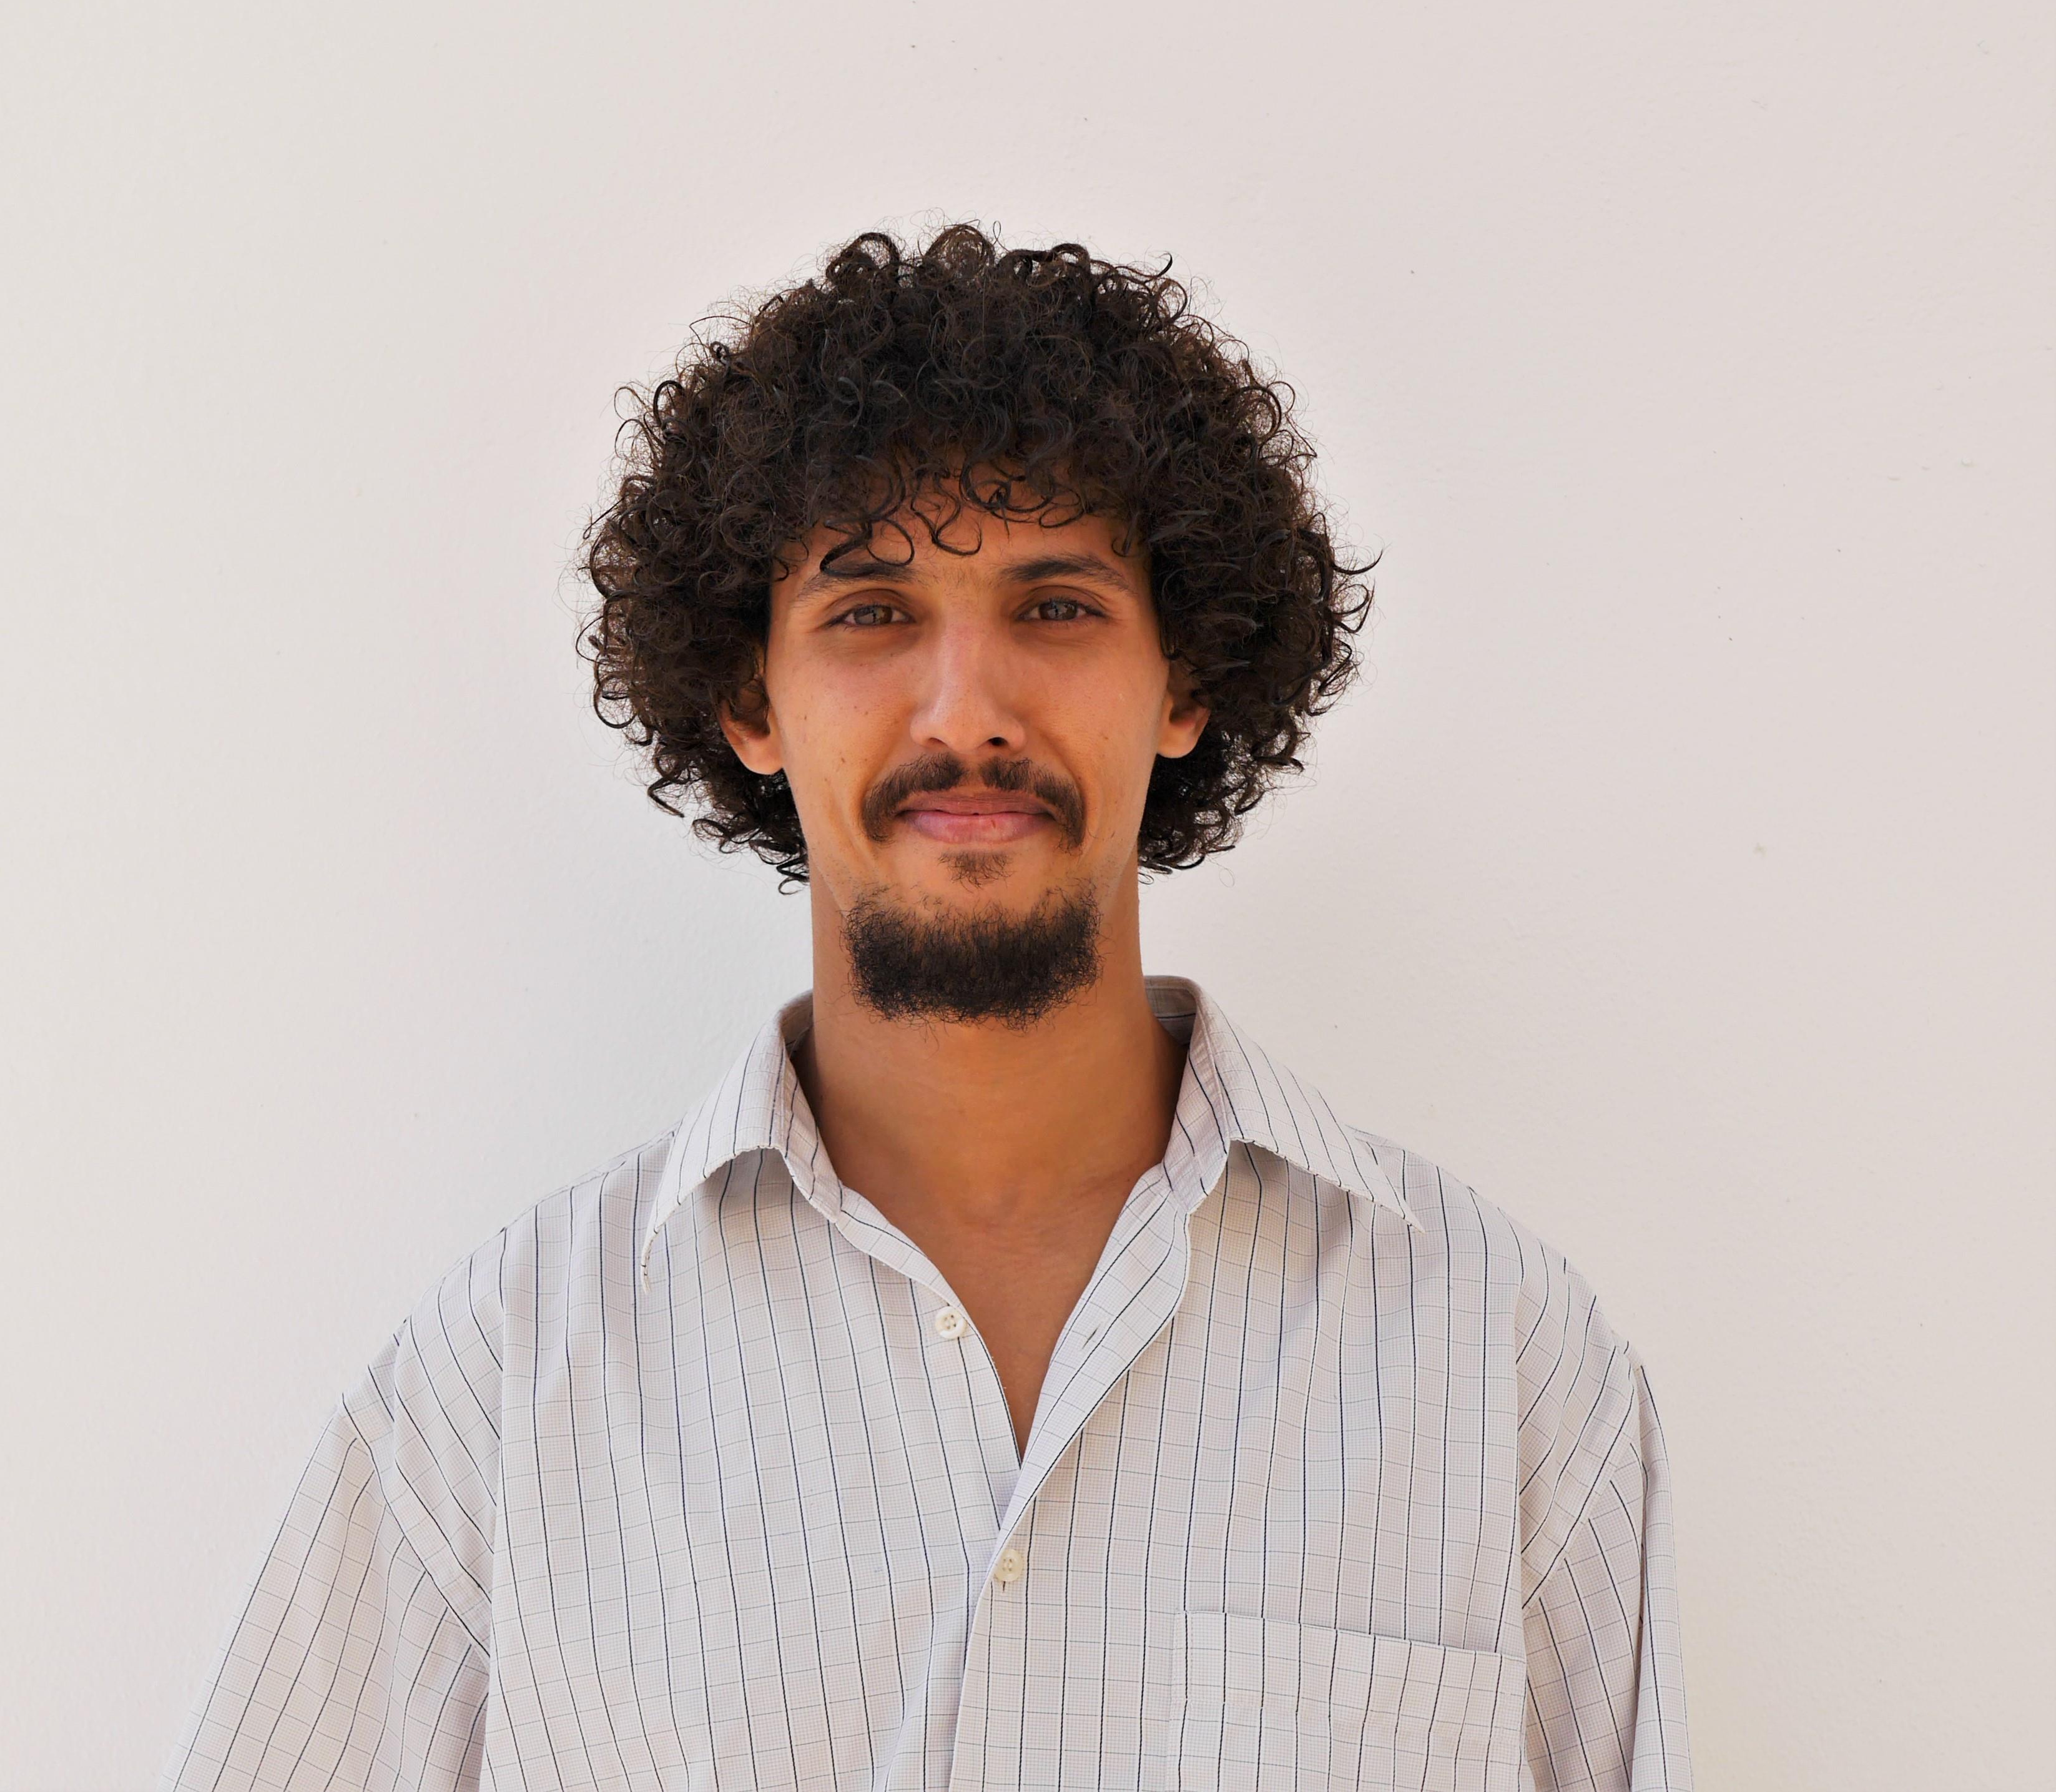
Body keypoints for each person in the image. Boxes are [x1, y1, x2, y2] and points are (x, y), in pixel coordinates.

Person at [161, 224, 1691, 1791]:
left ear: (1183, 680)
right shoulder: (499, 1386)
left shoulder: (1495, 1356)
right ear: (749, 699)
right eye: (871, 613)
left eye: (1055, 608)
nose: (967, 712)